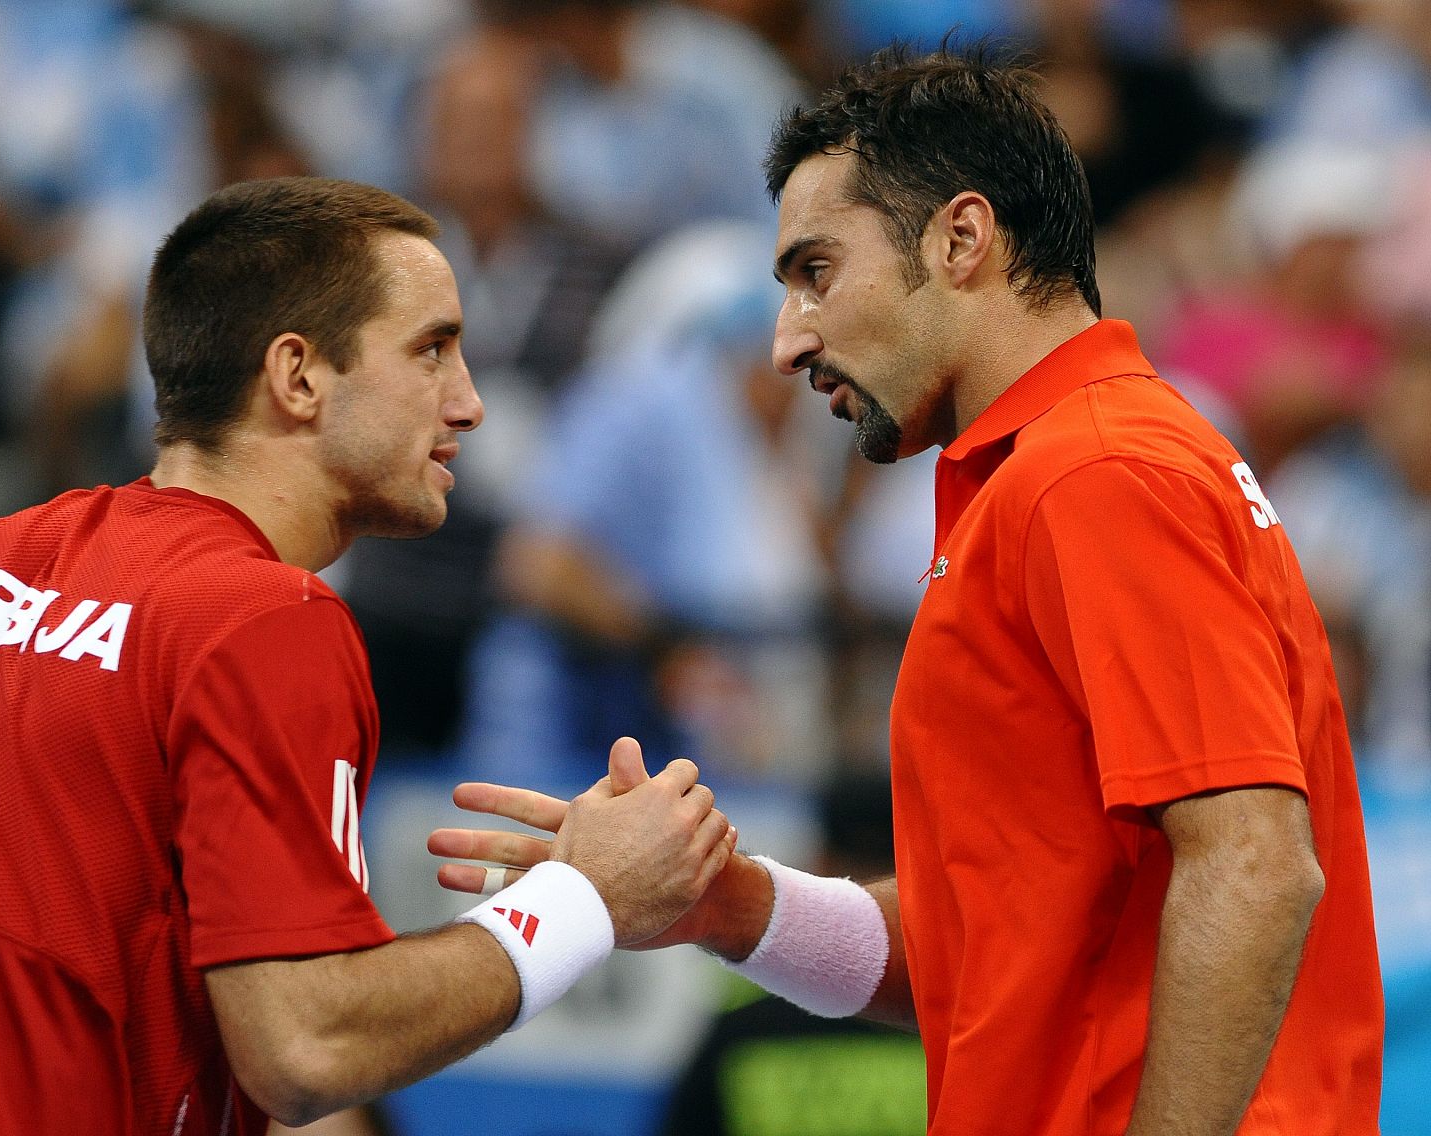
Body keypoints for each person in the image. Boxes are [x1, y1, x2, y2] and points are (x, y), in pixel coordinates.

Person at [430, 45, 1386, 1135]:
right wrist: (733, 903)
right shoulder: (1057, 471)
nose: (787, 339)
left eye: (814, 271)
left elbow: (1256, 865)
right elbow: (983, 949)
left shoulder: (1096, 472)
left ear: (961, 238)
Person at [0, 176, 736, 1134]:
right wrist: (586, 899)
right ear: (298, 376)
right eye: (432, 349)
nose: (469, 405)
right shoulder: (266, 620)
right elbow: (307, 1047)